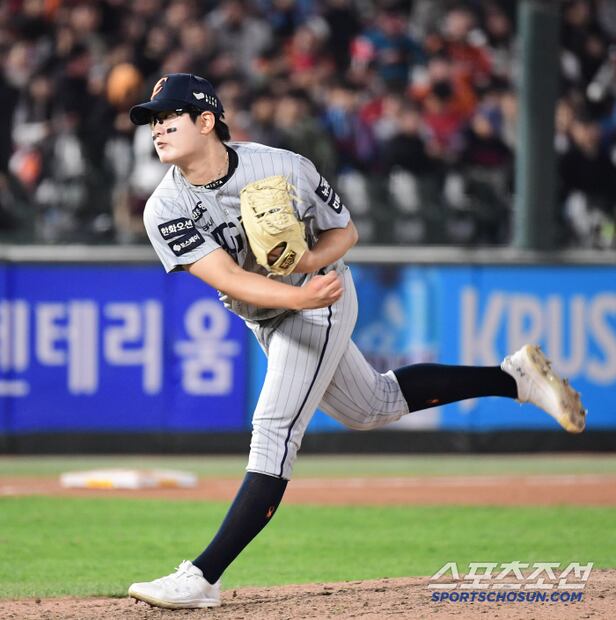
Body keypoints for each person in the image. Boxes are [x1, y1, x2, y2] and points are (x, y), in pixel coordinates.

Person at [127, 73, 586, 610]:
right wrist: (294, 292)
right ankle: (513, 378)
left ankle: (204, 576)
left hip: (321, 301)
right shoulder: (164, 207)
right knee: (373, 405)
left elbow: (345, 232)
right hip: (273, 311)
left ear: (206, 120)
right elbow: (227, 278)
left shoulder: (283, 167)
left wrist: (309, 265)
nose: (157, 129)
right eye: (153, 120)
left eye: (169, 117)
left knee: (274, 429)